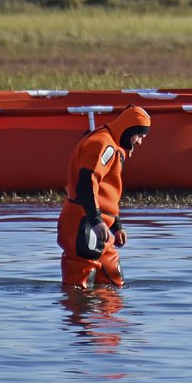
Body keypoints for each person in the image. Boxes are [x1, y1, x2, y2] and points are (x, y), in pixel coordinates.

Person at [57, 105, 151, 288]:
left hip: (101, 225)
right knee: (81, 282)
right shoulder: (103, 144)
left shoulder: (114, 146)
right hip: (83, 223)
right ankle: (80, 314)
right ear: (128, 129)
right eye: (139, 136)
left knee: (113, 280)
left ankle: (107, 316)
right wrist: (95, 220)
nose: (139, 142)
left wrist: (116, 225)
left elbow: (105, 191)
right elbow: (86, 182)